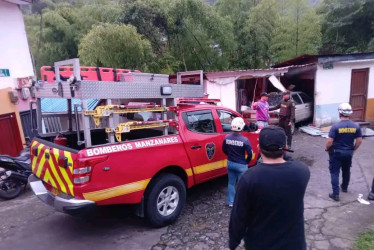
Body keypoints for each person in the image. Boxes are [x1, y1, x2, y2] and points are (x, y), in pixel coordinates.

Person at [229, 126, 310, 250]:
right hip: (294, 244)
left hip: (260, 245)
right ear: (286, 149)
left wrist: (233, 243)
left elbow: (239, 218)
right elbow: (290, 161)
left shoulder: (250, 178)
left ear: (258, 148)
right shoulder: (302, 171)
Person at [325, 103, 362, 201]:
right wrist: (353, 149)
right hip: (348, 152)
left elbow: (329, 141)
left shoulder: (335, 126)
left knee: (335, 172)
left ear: (340, 113)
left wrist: (327, 149)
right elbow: (359, 140)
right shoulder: (356, 126)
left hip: (336, 152)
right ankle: (344, 187)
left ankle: (335, 194)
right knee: (346, 170)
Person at [222, 117, 253, 207]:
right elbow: (250, 154)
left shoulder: (227, 137)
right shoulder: (245, 140)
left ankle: (231, 202)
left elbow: (224, 149)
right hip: (241, 164)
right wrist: (246, 162)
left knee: (231, 183)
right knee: (242, 185)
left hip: (230, 162)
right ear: (242, 127)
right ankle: (242, 203)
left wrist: (230, 156)